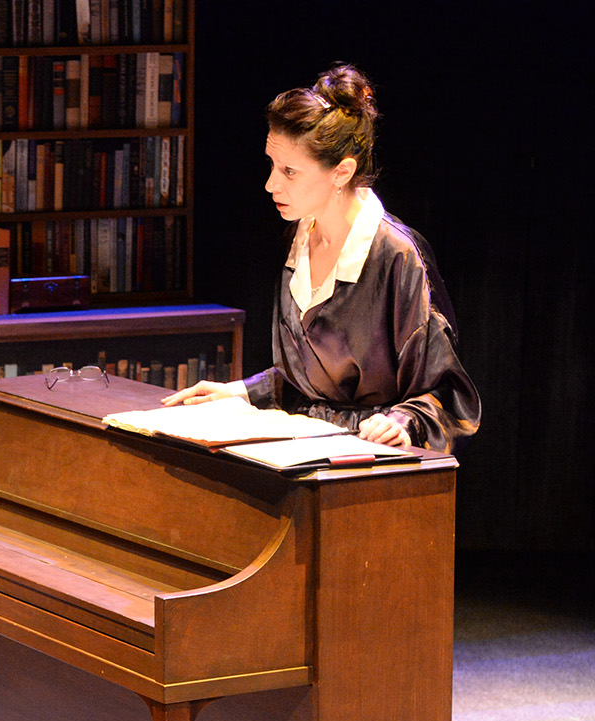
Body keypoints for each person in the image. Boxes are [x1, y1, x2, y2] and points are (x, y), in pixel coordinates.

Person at [165, 63, 480, 452]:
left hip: (371, 463)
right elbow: (310, 384)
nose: (270, 184)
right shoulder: (297, 239)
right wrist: (239, 392)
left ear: (342, 172)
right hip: (302, 449)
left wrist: (402, 422)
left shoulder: (397, 256)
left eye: (290, 171)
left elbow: (446, 392)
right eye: (271, 165)